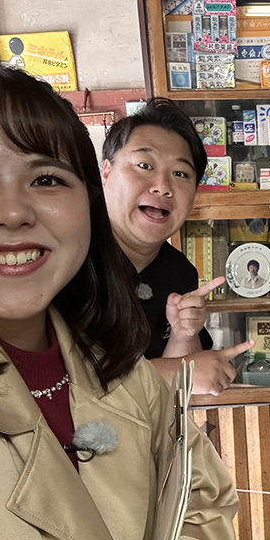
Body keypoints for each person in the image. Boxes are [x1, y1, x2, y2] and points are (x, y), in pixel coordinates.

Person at [0, 65, 238, 540]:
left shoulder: (121, 367)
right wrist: (182, 370)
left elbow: (198, 497)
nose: (13, 212)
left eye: (46, 179)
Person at [101, 98, 252, 395]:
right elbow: (59, 385)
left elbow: (168, 394)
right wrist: (182, 373)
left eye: (180, 174)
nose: (163, 186)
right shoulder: (69, 259)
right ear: (106, 172)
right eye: (145, 165)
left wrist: (183, 334)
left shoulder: (179, 272)